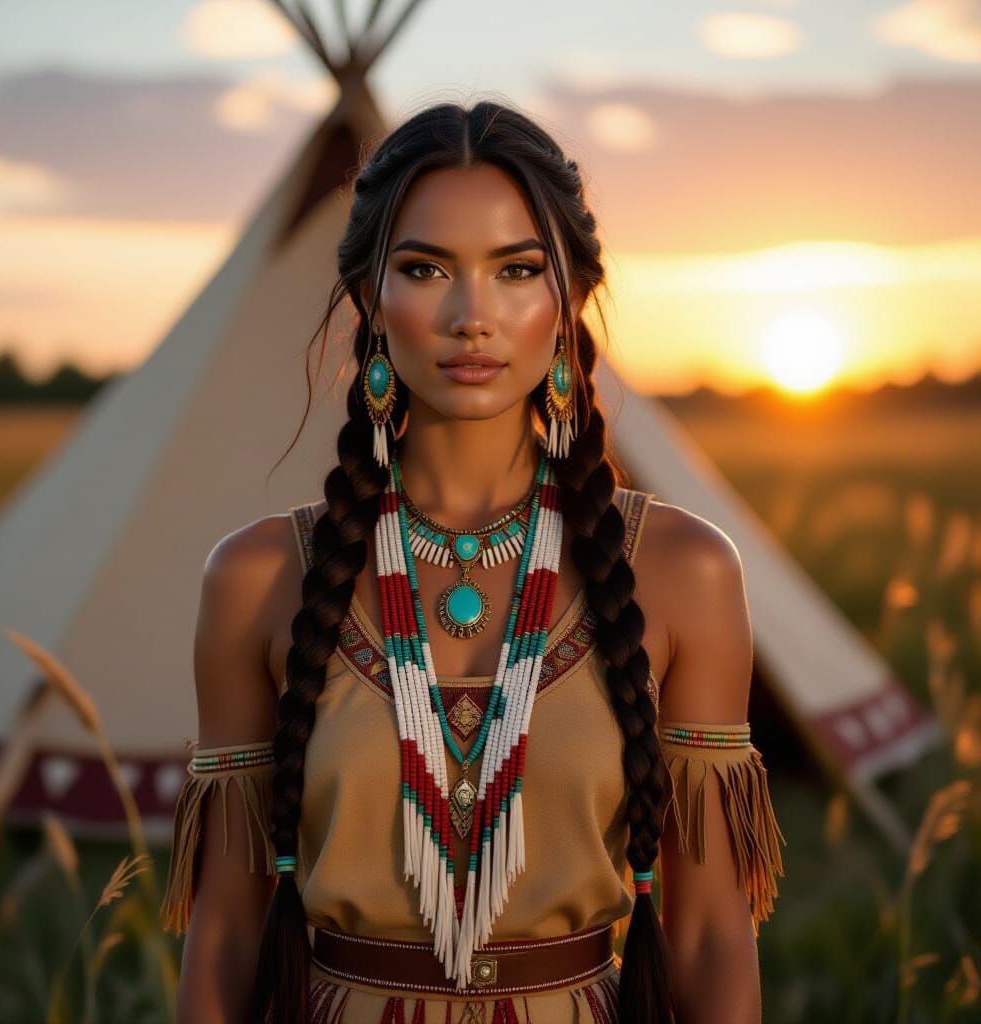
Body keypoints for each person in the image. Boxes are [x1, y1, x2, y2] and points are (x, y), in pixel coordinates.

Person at [159, 100, 786, 1023]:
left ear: (567, 296)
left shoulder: (683, 570)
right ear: (371, 297)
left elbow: (707, 936)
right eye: (424, 269)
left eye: (517, 270)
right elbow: (221, 942)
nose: (471, 316)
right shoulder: (257, 580)